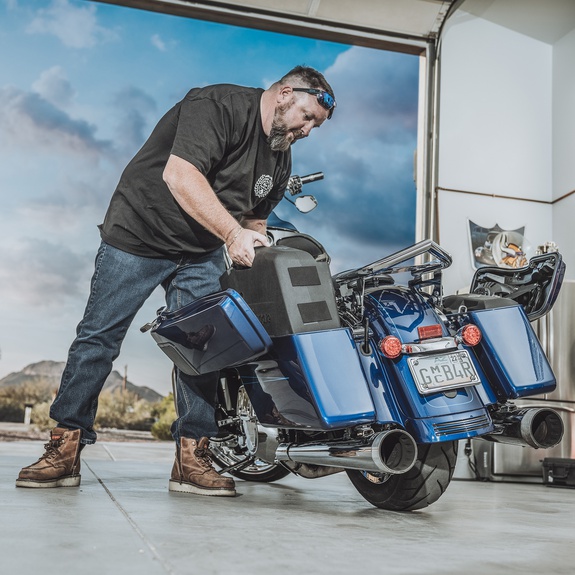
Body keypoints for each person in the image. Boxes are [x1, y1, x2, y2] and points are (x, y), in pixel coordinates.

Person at [15, 65, 336, 497]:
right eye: (308, 116)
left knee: (206, 349)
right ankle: (65, 447)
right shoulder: (217, 107)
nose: (309, 130)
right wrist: (232, 234)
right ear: (283, 94)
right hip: (138, 235)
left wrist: (254, 255)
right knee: (99, 339)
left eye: (316, 124)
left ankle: (191, 457)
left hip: (200, 252)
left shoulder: (278, 154)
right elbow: (180, 176)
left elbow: (254, 219)